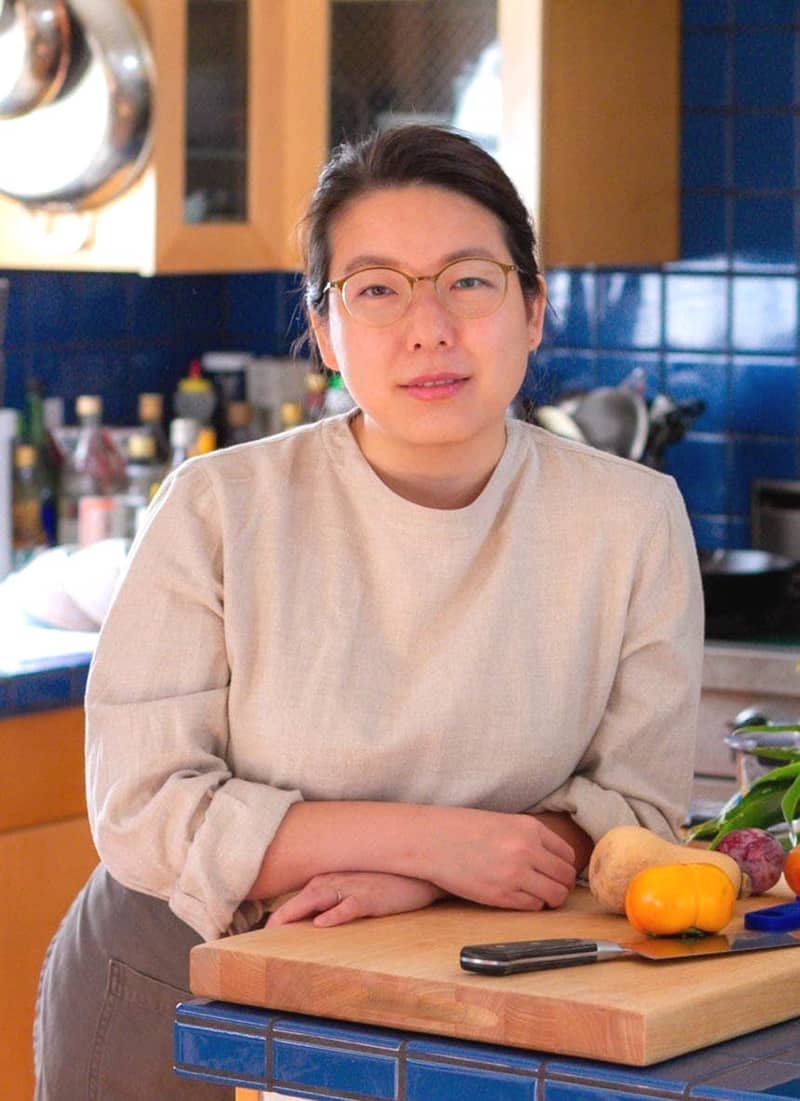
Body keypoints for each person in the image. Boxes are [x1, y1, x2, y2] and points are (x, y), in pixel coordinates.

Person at [34, 124, 703, 1100]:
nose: (426, 326)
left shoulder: (631, 519)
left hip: (465, 987)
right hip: (174, 973)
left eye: (467, 279)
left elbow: (634, 806)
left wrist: (423, 885)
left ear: (532, 308)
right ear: (324, 330)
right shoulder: (219, 506)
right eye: (377, 287)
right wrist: (431, 843)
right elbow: (144, 812)